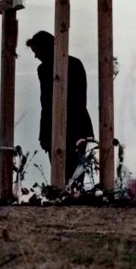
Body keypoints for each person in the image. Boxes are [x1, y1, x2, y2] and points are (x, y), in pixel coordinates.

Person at [26, 31, 94, 183]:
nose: (36, 56)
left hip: (76, 126)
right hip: (53, 126)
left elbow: (80, 99)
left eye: (37, 51)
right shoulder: (42, 70)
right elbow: (45, 103)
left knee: (76, 173)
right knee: (59, 174)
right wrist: (44, 133)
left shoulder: (75, 64)